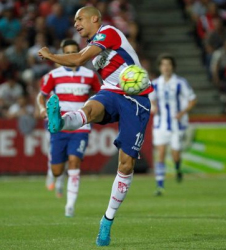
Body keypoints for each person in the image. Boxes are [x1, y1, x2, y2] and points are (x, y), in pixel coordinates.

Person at [38, 6, 153, 247]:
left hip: (135, 98)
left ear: (95, 19)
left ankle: (107, 220)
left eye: (80, 19)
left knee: (126, 163)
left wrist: (50, 55)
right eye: (75, 20)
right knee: (89, 110)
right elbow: (80, 57)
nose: (76, 24)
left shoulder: (108, 32)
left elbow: (78, 59)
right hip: (111, 92)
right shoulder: (94, 46)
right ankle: (60, 121)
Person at [36, 38, 101, 217]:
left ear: (78, 53)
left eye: (74, 52)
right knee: (58, 170)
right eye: (67, 53)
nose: (70, 55)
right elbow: (40, 97)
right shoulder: (53, 75)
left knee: (75, 162)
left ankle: (70, 206)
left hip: (81, 126)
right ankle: (55, 176)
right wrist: (42, 109)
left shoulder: (90, 75)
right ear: (61, 55)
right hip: (60, 126)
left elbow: (100, 95)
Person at [149, 53, 197, 196]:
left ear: (173, 67)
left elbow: (192, 100)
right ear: (160, 67)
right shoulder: (155, 83)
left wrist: (182, 113)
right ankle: (160, 186)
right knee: (161, 154)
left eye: (168, 64)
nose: (166, 67)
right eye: (163, 64)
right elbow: (150, 100)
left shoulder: (180, 83)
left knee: (176, 155)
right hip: (160, 125)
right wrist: (153, 107)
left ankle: (177, 168)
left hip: (176, 125)